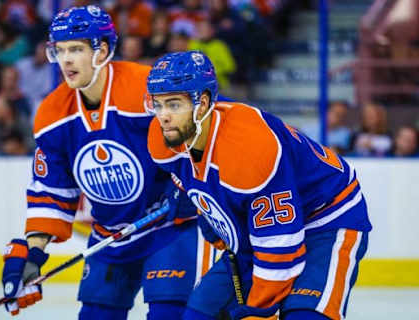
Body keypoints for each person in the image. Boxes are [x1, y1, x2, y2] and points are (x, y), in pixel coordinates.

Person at [0, 6, 215, 320]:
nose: (66, 60)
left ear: (101, 50)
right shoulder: (52, 115)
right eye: (59, 51)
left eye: (75, 49)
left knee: (168, 313)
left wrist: (188, 186)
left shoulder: (147, 89)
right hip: (109, 237)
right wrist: (33, 254)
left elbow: (201, 136)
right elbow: (51, 191)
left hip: (170, 229)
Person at [146, 51, 372, 320]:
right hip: (262, 227)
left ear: (203, 104)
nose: (163, 116)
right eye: (158, 105)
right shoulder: (163, 139)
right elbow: (193, 187)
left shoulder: (249, 149)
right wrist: (215, 226)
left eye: (173, 104)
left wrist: (259, 311)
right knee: (198, 315)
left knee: (304, 316)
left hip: (326, 219)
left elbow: (280, 247)